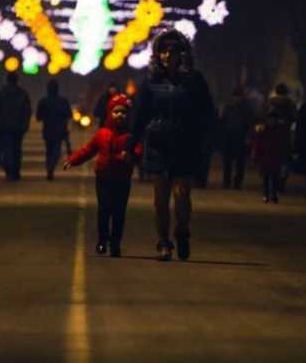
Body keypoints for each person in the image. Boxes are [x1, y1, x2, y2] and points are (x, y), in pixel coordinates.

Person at [126, 29, 215, 262]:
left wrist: (208, 142)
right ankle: (163, 242)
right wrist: (130, 145)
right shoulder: (151, 83)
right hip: (157, 145)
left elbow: (207, 113)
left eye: (172, 51)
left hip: (185, 145)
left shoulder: (194, 81)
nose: (167, 55)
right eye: (163, 51)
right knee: (160, 198)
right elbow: (140, 115)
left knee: (182, 195)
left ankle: (182, 230)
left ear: (182, 54)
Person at [64, 94, 142, 257]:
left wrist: (131, 156)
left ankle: (116, 242)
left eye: (124, 112)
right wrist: (73, 160)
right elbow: (89, 150)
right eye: (116, 111)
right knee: (104, 210)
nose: (120, 115)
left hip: (122, 179)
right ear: (110, 113)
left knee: (119, 212)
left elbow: (139, 150)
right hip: (104, 179)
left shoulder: (130, 136)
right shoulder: (102, 133)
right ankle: (102, 239)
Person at [0, 72, 31, 182]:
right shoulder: (23, 94)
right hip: (18, 126)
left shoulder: (0, 93)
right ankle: (16, 171)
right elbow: (27, 111)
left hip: (4, 126)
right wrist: (25, 124)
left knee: (7, 149)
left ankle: (9, 170)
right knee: (17, 148)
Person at [219, 88, 256, 189]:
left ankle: (238, 181)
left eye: (238, 97)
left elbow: (250, 124)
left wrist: (248, 137)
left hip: (241, 138)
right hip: (228, 138)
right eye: (235, 97)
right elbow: (223, 122)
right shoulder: (227, 107)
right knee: (227, 162)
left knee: (240, 162)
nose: (236, 99)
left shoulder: (246, 109)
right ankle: (226, 181)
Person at [36, 80, 73, 181]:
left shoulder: (43, 101)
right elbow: (69, 115)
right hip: (60, 129)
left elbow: (39, 117)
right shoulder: (63, 101)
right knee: (56, 150)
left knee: (48, 150)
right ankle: (51, 166)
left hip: (47, 129)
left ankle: (49, 166)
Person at [252, 109, 289, 203]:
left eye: (272, 120)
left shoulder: (279, 131)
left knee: (275, 177)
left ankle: (274, 193)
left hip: (276, 158)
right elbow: (257, 144)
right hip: (265, 157)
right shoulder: (262, 130)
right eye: (269, 119)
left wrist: (285, 155)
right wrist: (255, 156)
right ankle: (266, 193)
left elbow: (284, 144)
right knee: (266, 177)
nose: (270, 122)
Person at [266, 83, 298, 193]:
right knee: (284, 159)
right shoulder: (290, 104)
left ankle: (273, 182)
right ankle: (281, 179)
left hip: (271, 134)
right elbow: (295, 117)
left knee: (272, 159)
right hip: (285, 135)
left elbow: (262, 116)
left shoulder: (270, 102)